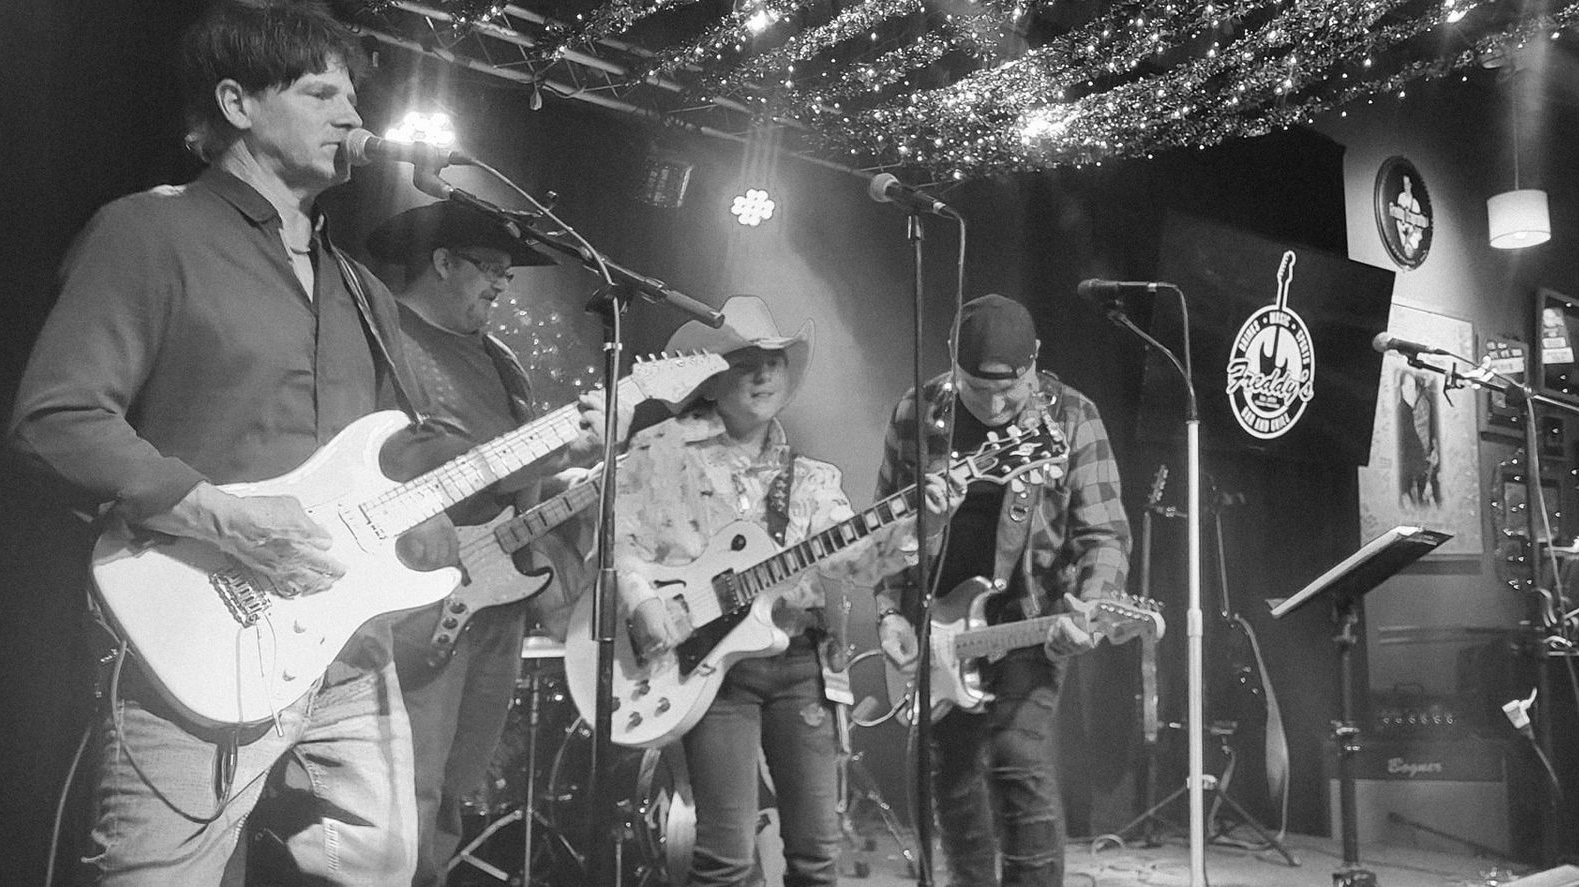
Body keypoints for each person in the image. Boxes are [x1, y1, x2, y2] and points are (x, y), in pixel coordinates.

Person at [5, 4, 605, 883]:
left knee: (388, 858)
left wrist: (544, 450)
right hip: (202, 636)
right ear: (237, 103)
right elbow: (54, 420)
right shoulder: (150, 233)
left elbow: (405, 451)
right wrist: (229, 521)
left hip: (348, 647)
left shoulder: (357, 284)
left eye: (354, 96)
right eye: (322, 91)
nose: (352, 117)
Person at [617, 295, 943, 887]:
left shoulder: (813, 478)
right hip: (705, 674)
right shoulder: (658, 450)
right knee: (725, 859)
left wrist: (924, 523)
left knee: (818, 853)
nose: (764, 372)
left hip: (800, 667)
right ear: (710, 381)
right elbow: (617, 542)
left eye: (773, 360)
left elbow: (859, 564)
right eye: (744, 360)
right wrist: (643, 603)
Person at [363, 200, 586, 886]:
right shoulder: (379, 332)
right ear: (442, 261)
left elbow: (522, 480)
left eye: (506, 273)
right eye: (491, 268)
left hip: (494, 600)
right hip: (413, 592)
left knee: (454, 788)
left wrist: (553, 517)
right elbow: (370, 460)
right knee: (408, 785)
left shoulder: (505, 362)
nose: (501, 284)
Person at [874, 294, 1131, 887]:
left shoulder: (1071, 417)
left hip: (1032, 617)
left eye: (1008, 391)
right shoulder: (916, 412)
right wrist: (890, 611)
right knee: (954, 780)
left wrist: (1088, 611)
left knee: (1018, 759)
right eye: (975, 388)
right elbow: (885, 527)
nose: (992, 405)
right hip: (936, 626)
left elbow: (1106, 534)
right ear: (950, 362)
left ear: (1035, 361)